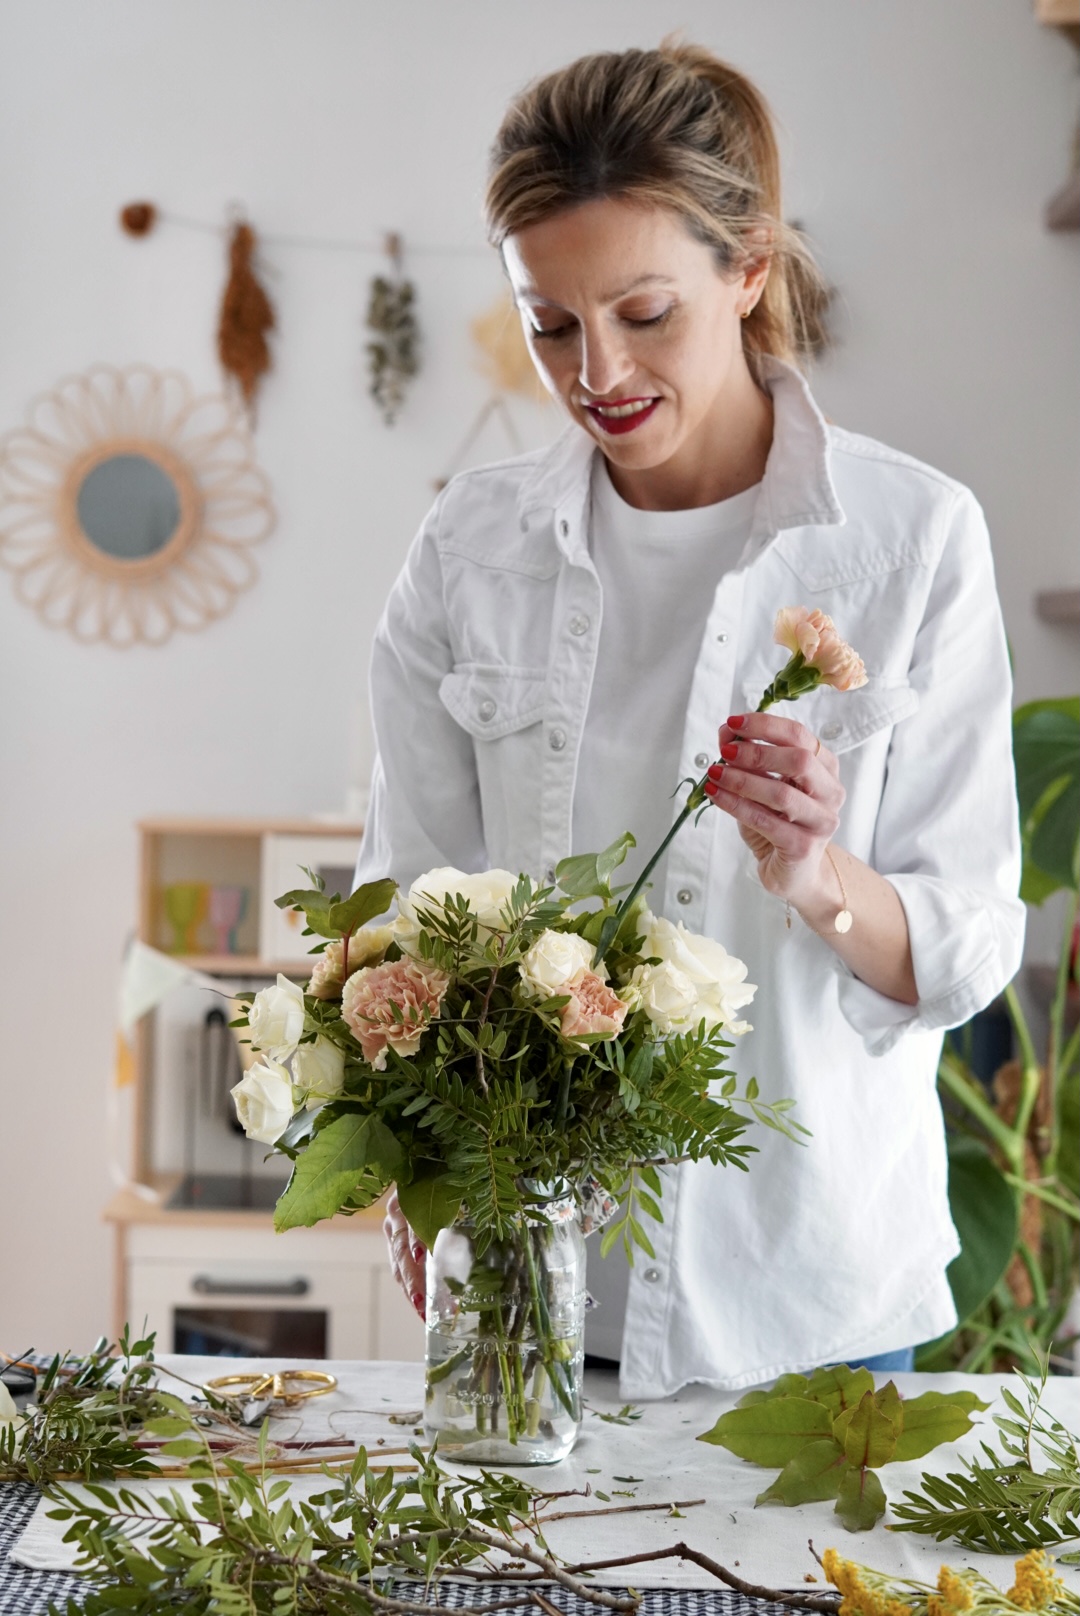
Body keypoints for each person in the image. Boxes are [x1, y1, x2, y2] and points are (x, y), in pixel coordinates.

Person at [357, 41, 1025, 1397]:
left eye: (643, 311)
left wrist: (815, 875)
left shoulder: (910, 543)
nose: (595, 369)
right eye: (550, 324)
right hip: (528, 1275)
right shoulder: (471, 549)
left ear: (750, 271)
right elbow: (405, 905)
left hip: (805, 1297)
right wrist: (415, 1163)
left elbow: (967, 946)